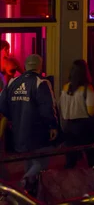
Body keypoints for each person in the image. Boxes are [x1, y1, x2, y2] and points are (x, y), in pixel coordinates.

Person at [0, 54, 58, 197]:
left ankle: (29, 194)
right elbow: (48, 108)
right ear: (40, 66)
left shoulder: (12, 82)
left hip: (19, 130)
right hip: (37, 131)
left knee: (27, 159)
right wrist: (53, 125)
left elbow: (2, 106)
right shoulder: (41, 82)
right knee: (41, 162)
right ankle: (23, 184)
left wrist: (14, 118)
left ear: (25, 66)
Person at [59, 60, 94, 168]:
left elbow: (62, 108)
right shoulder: (87, 89)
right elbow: (91, 112)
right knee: (91, 156)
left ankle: (70, 181)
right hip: (84, 126)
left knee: (70, 158)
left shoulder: (65, 88)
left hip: (68, 125)